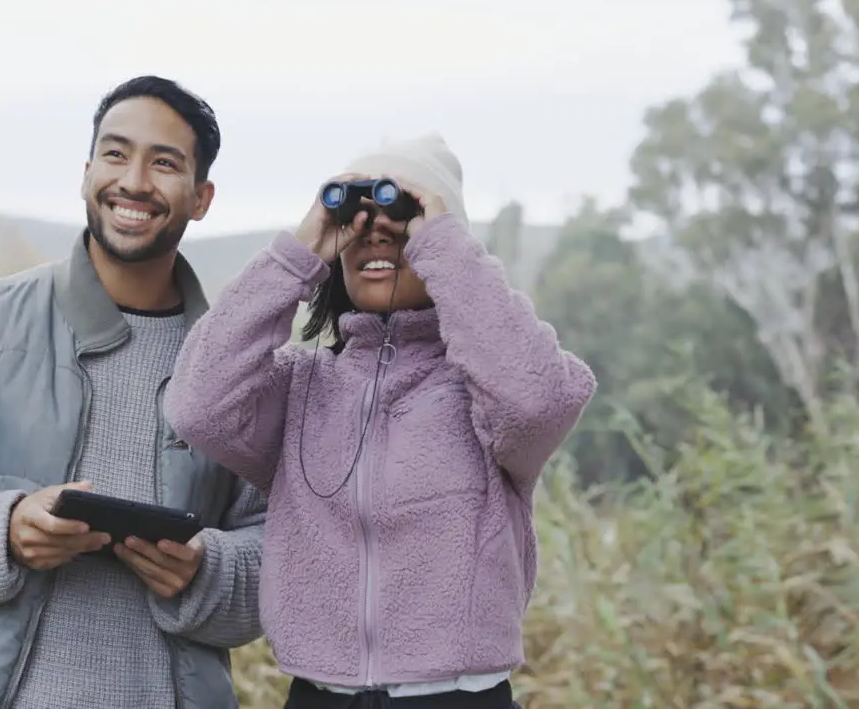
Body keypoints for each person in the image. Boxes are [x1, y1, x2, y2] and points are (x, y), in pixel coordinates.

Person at [0, 75, 266, 709]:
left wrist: (207, 571)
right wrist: (5, 529)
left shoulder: (234, 369)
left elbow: (280, 550)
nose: (133, 181)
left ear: (202, 197)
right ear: (86, 172)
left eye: (164, 163)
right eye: (116, 153)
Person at [162, 132, 596, 709]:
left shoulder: (486, 396)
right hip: (319, 695)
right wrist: (300, 251)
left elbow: (541, 399)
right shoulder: (301, 387)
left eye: (403, 217)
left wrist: (443, 246)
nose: (378, 230)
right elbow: (197, 401)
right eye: (358, 219)